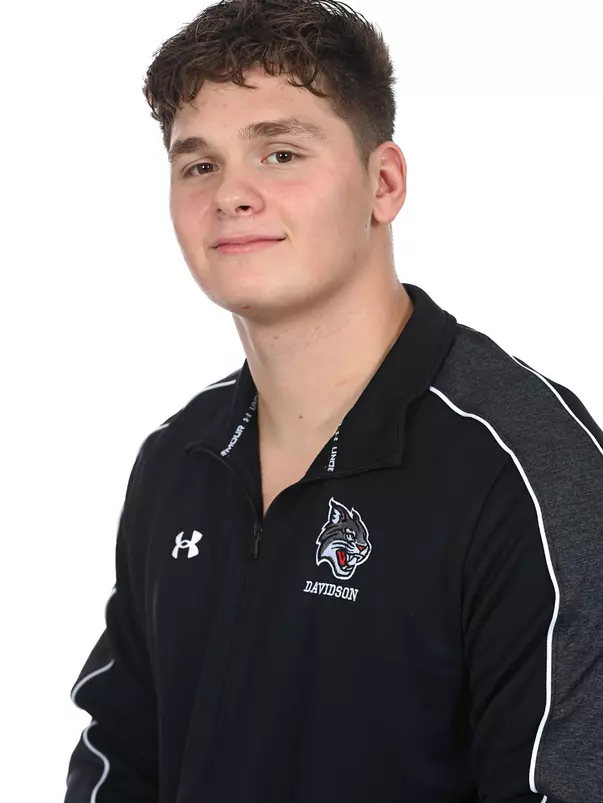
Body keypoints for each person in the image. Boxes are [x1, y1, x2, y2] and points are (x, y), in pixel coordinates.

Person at [64, 1, 603, 801]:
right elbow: (119, 756)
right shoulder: (178, 457)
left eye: (280, 153)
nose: (231, 194)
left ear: (382, 184)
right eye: (198, 164)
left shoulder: (525, 468)